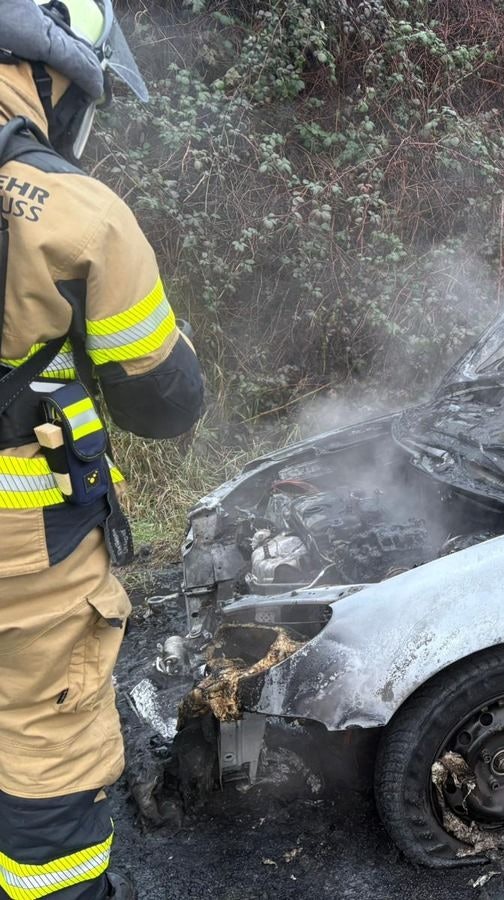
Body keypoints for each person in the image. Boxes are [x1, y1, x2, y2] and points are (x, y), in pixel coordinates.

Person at [0, 1, 204, 897]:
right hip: (26, 549)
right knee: (46, 734)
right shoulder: (76, 216)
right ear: (49, 74)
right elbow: (166, 402)